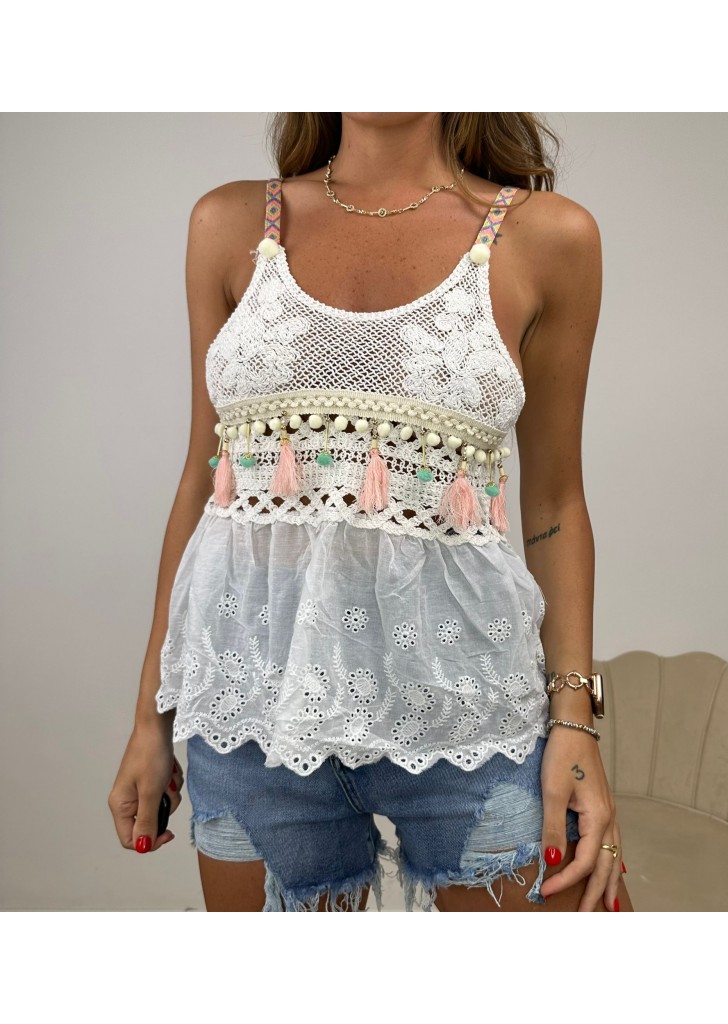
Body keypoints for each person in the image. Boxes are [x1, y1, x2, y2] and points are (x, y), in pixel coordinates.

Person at [108, 112, 632, 913]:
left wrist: (575, 723)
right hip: (252, 717)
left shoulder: (549, 237)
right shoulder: (229, 223)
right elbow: (204, 482)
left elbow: (556, 500)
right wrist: (152, 719)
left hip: (467, 715)